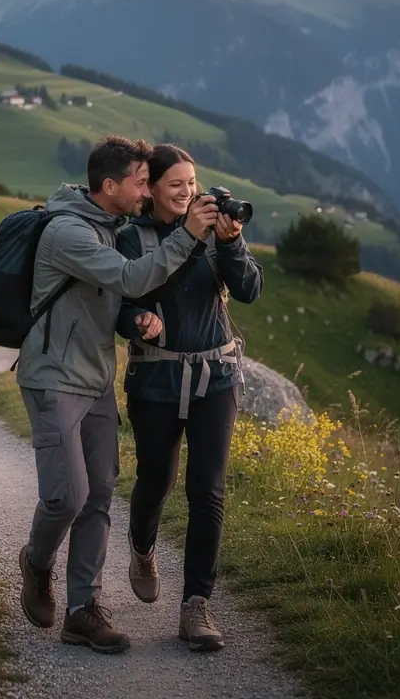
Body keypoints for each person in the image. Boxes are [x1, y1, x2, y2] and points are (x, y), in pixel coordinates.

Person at [15, 136, 220, 654]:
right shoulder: (69, 233)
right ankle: (36, 564)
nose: (148, 188)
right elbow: (133, 278)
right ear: (110, 186)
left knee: (100, 497)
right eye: (140, 180)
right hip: (54, 379)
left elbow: (122, 303)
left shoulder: (111, 228)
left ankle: (83, 610)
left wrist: (139, 321)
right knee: (68, 495)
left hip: (98, 381)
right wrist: (190, 235)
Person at [116, 144, 263, 652]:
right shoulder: (132, 238)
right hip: (155, 380)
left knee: (208, 490)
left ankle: (196, 605)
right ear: (151, 187)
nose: (187, 192)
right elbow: (122, 300)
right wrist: (136, 320)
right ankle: (142, 547)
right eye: (175, 184)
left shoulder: (213, 231)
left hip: (216, 377)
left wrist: (233, 244)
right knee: (156, 480)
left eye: (192, 182)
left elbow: (248, 290)